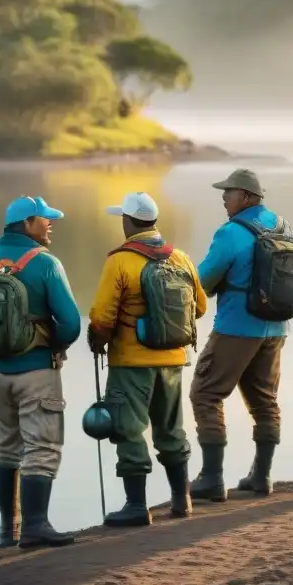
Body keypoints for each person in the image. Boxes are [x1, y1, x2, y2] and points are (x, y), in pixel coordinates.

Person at [0, 195, 82, 549]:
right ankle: (37, 526)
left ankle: (10, 529)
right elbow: (70, 322)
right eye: (45, 219)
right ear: (26, 224)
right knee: (42, 446)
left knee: (5, 444)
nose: (51, 223)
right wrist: (55, 347)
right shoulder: (47, 264)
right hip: (38, 370)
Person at [87, 192, 208, 527]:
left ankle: (137, 506)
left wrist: (97, 340)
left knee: (129, 430)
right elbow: (200, 308)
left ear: (128, 222)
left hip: (130, 363)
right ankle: (182, 501)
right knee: (171, 429)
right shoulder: (180, 258)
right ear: (152, 221)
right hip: (172, 360)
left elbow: (101, 317)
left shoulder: (120, 261)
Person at [189, 168, 293, 501]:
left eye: (229, 191)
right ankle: (261, 476)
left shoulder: (230, 233)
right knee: (264, 401)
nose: (224, 196)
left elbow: (202, 282)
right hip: (276, 328)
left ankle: (211, 477)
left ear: (247, 197)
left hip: (237, 327)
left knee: (205, 394)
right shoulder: (284, 225)